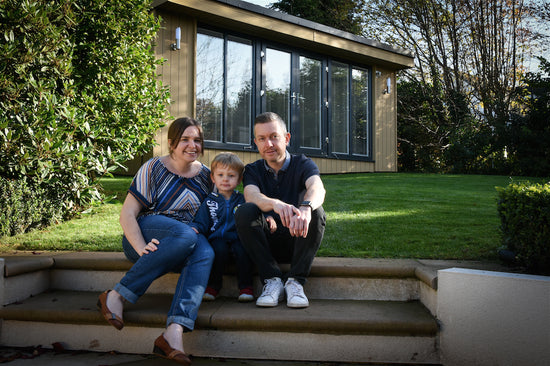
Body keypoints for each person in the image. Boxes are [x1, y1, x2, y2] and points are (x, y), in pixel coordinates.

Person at [97, 117, 213, 366]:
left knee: (205, 252)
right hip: (146, 235)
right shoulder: (152, 168)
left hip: (184, 240)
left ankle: (174, 331)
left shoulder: (205, 176)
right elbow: (127, 214)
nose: (192, 145)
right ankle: (117, 295)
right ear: (171, 143)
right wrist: (140, 247)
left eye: (197, 140)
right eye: (185, 139)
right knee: (184, 234)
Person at [235, 112, 326, 308]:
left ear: (286, 138)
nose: (268, 144)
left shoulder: (303, 163)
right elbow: (251, 195)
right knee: (244, 211)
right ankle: (272, 280)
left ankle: (296, 282)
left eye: (274, 137)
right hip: (266, 243)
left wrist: (306, 207)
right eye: (262, 139)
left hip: (298, 239)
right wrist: (276, 204)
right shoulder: (253, 170)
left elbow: (317, 188)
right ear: (256, 142)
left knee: (317, 212)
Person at [190, 152, 255, 302]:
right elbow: (201, 222)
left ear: (239, 179)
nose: (225, 179)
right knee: (218, 250)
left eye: (231, 176)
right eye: (220, 175)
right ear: (213, 178)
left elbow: (253, 214)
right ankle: (213, 287)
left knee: (243, 250)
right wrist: (195, 228)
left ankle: (246, 287)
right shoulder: (209, 202)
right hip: (217, 238)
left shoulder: (243, 199)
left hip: (238, 238)